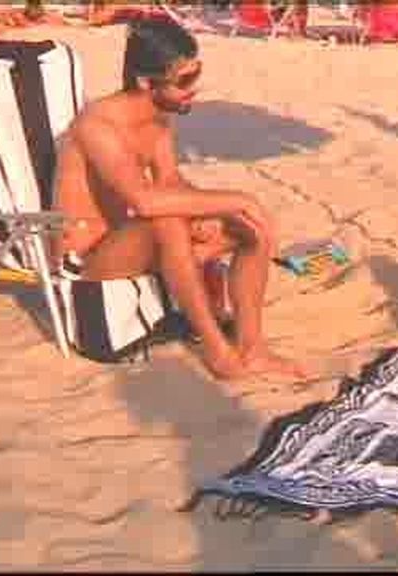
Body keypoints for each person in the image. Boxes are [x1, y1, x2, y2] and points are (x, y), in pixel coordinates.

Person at [52, 19, 309, 381]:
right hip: (87, 257)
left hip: (131, 240)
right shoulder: (97, 127)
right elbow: (144, 202)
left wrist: (206, 210)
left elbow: (171, 181)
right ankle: (218, 351)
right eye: (185, 81)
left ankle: (252, 349)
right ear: (144, 82)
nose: (195, 89)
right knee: (169, 220)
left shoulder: (157, 119)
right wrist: (238, 198)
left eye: (196, 74)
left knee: (250, 231)